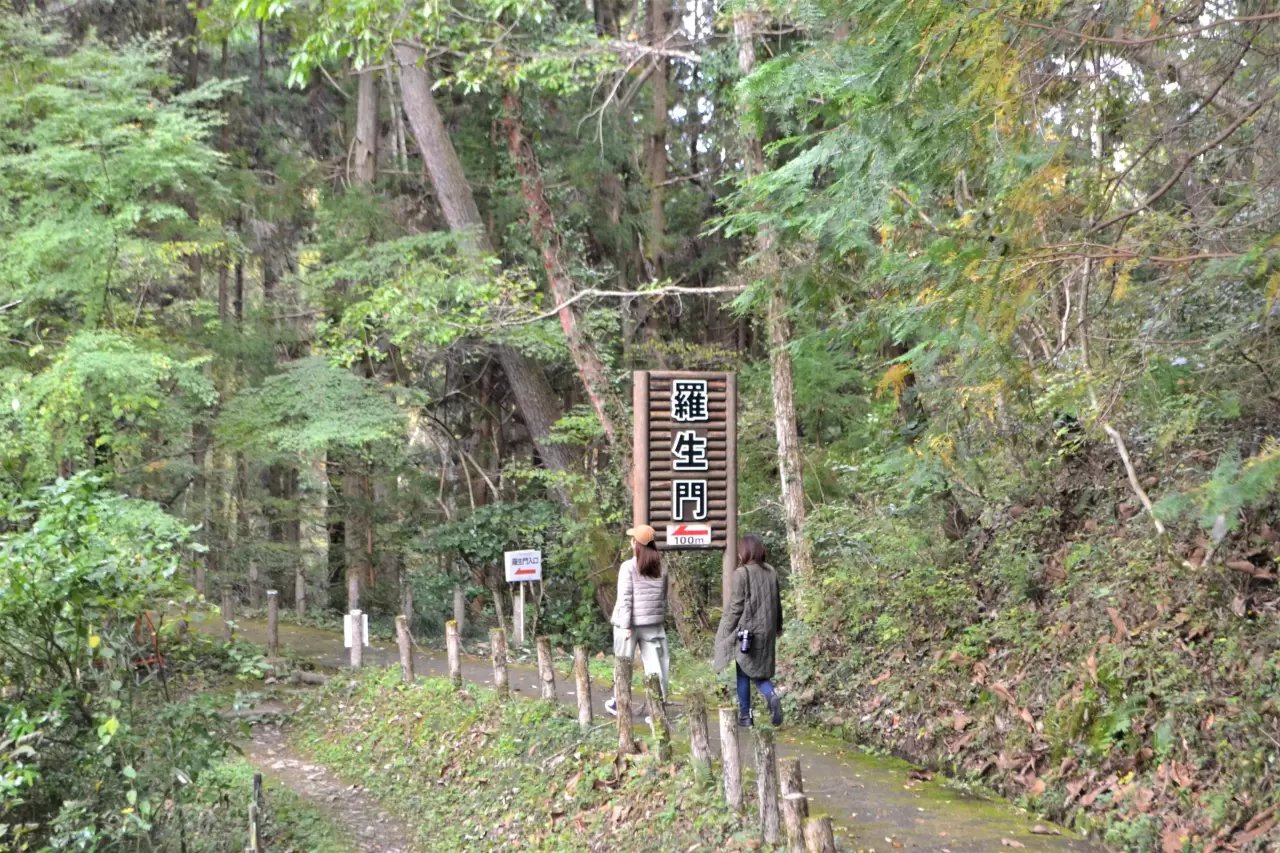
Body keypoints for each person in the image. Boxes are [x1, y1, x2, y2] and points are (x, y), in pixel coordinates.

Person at [715, 534, 783, 727]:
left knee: (743, 671)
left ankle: (746, 716)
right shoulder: (771, 571)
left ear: (745, 551)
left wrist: (724, 632)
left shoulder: (742, 573)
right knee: (759, 673)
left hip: (748, 633)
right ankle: (771, 695)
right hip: (767, 631)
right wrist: (778, 627)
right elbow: (777, 603)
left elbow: (736, 607)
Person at [605, 524, 670, 719]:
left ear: (636, 544)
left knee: (624, 665)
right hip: (653, 624)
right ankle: (657, 710)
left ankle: (620, 703)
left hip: (629, 626)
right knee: (657, 666)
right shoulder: (662, 567)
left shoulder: (628, 567)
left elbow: (625, 598)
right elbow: (663, 598)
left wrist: (625, 625)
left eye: (632, 540)